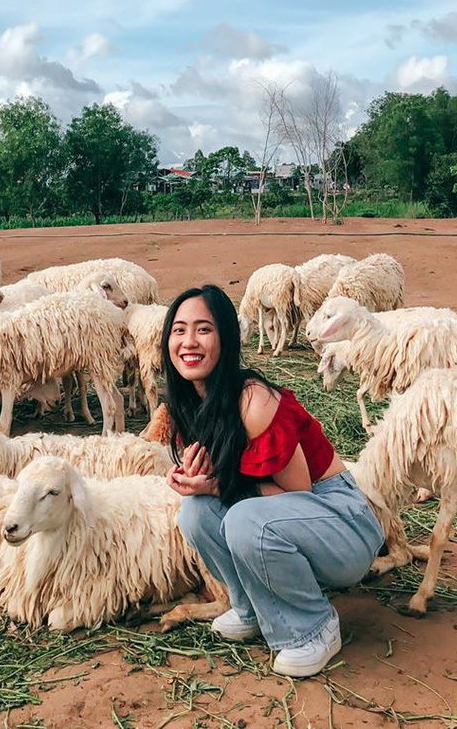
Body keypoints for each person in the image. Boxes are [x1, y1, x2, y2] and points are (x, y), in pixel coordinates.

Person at [162, 284, 385, 678]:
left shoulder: (252, 401)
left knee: (245, 519)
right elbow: (229, 486)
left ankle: (313, 627)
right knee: (195, 512)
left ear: (226, 338)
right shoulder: (191, 403)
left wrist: (219, 485)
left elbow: (298, 494)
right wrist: (197, 481)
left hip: (341, 522)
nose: (188, 342)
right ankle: (250, 607)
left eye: (203, 329)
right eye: (179, 330)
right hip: (293, 519)